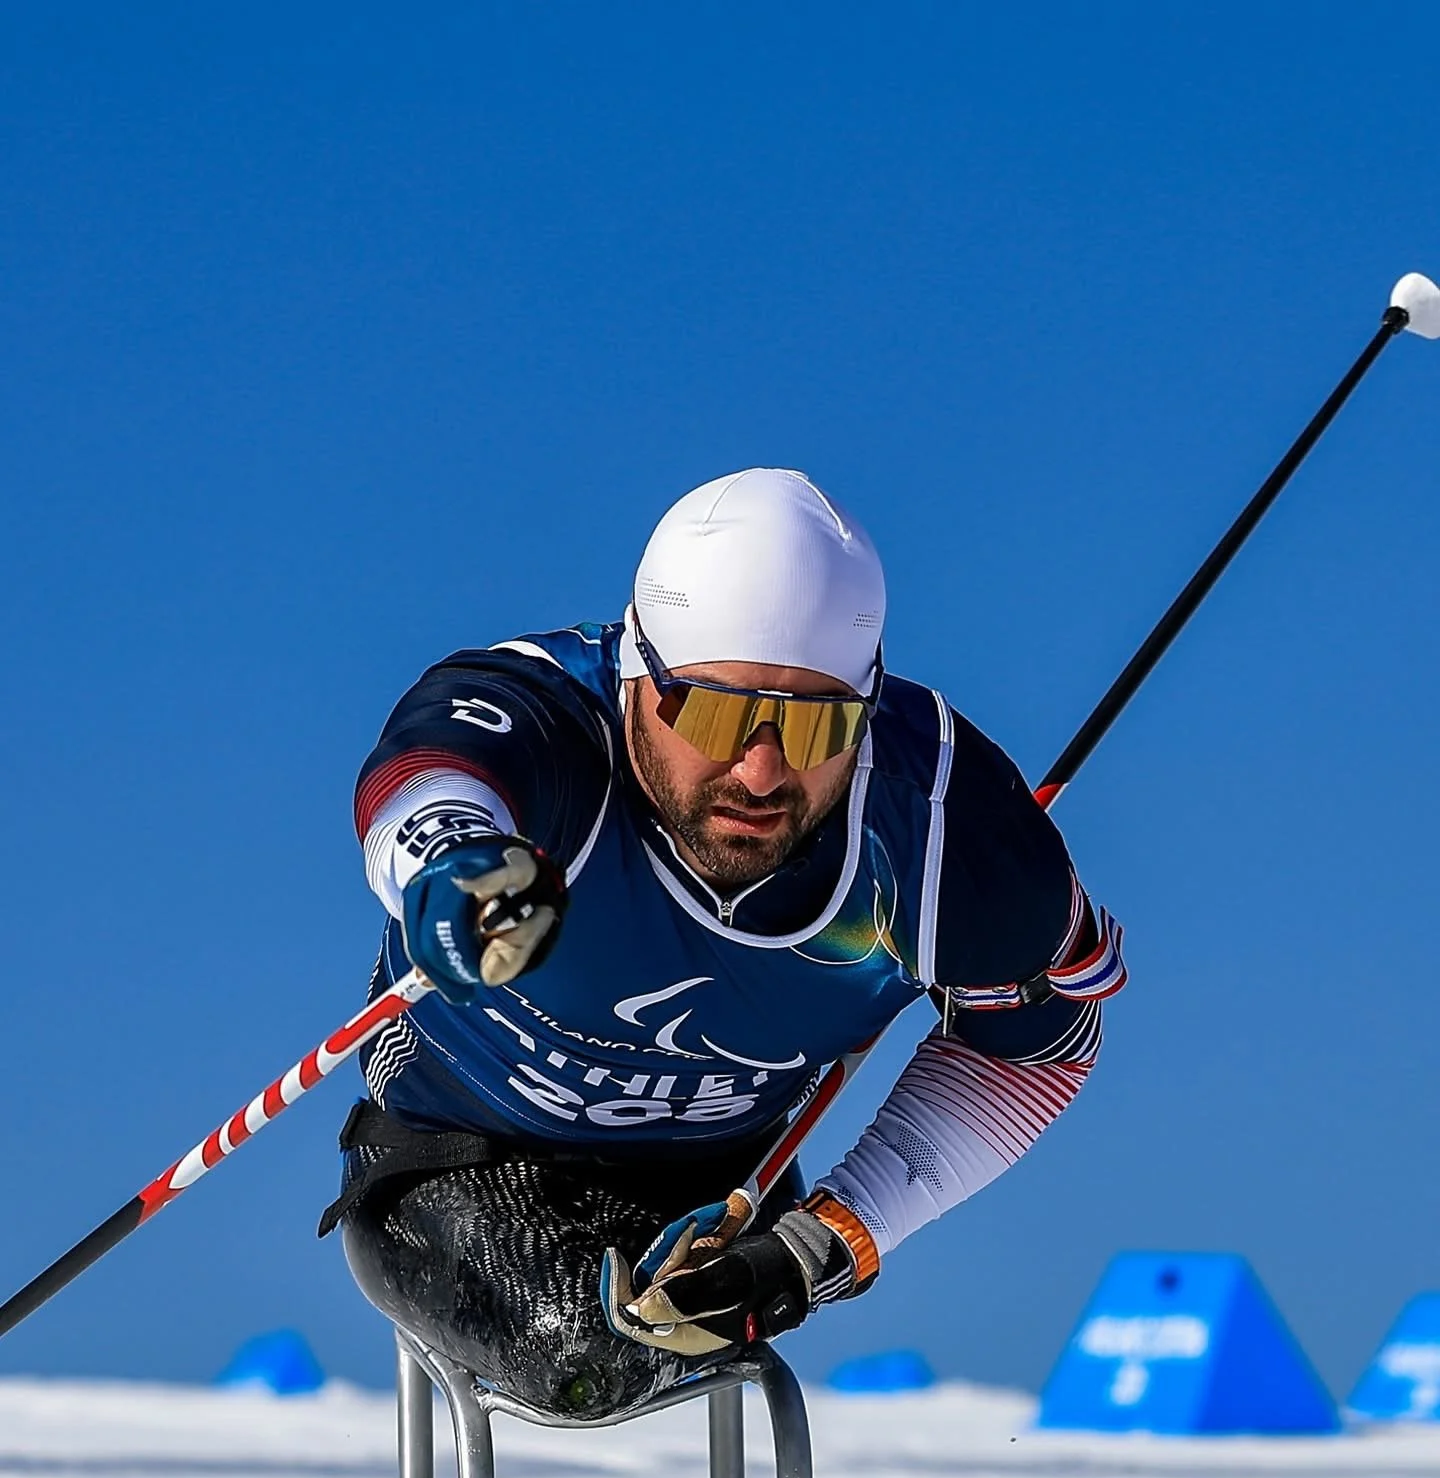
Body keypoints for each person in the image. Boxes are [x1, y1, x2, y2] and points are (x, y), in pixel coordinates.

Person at [324, 469, 1124, 1416]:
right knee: (581, 1354)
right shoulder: (550, 720)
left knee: (637, 1337)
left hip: (725, 1189)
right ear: (637, 673)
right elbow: (429, 772)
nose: (762, 769)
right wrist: (451, 867)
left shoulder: (947, 833)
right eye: (713, 712)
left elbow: (1043, 1047)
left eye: (816, 723)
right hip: (465, 1157)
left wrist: (835, 1233)